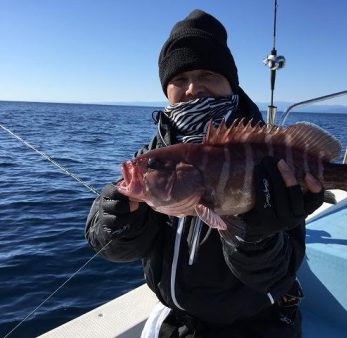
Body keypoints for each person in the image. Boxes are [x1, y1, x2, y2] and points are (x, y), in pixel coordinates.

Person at [86, 9, 324, 338]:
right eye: (179, 79)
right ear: (166, 89)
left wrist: (255, 236)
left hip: (260, 325)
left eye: (208, 74)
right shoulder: (152, 159)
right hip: (180, 323)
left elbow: (278, 275)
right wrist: (118, 218)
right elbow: (110, 248)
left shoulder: (269, 159)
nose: (193, 88)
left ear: (230, 84)